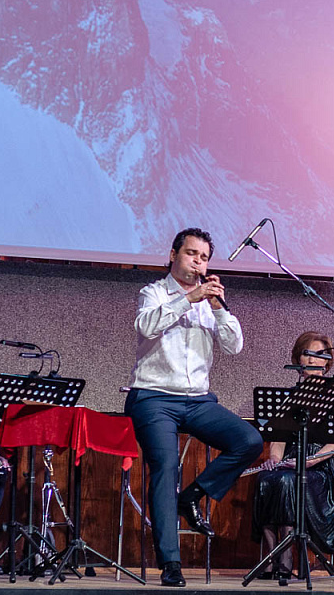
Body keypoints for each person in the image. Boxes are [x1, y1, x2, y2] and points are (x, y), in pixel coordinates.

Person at [125, 227, 264, 588]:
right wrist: (189, 299)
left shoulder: (209, 302)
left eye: (203, 257)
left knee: (248, 441)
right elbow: (146, 325)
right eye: (191, 254)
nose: (197, 262)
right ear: (173, 255)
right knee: (166, 466)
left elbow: (234, 346)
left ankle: (193, 495)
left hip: (197, 400)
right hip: (154, 396)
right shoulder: (153, 292)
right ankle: (170, 563)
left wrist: (217, 307)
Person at [251, 332, 334, 580]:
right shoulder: (289, 396)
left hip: (321, 467)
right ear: (298, 359)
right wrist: (274, 458)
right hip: (291, 462)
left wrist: (310, 461)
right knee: (266, 479)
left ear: (328, 361)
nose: (314, 360)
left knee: (286, 482)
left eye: (320, 355)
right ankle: (272, 557)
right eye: (308, 354)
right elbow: (279, 439)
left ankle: (286, 559)